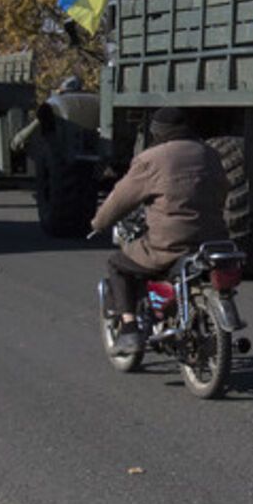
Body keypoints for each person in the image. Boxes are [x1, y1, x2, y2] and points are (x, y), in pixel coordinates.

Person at [90, 108, 229, 355]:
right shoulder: (210, 153)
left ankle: (130, 329)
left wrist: (98, 223)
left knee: (118, 265)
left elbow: (120, 199)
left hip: (171, 244)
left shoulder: (151, 159)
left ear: (157, 131)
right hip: (215, 241)